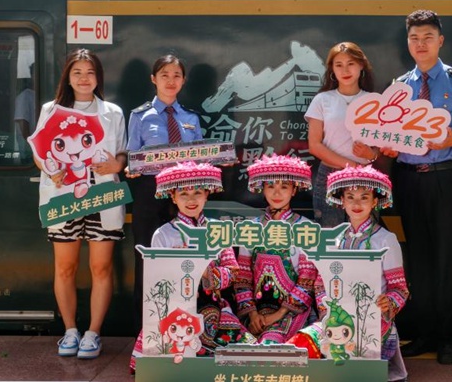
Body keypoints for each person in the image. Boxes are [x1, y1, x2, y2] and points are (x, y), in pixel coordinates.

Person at [381, 9, 452, 364]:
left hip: (445, 177)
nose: (420, 44)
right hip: (408, 178)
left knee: (448, 258)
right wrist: (387, 148)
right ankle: (424, 334)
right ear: (408, 43)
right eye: (414, 38)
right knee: (419, 259)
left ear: (440, 41)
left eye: (427, 38)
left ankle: (449, 338)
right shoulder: (398, 86)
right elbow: (388, 134)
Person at [33, 49, 127, 359]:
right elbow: (39, 151)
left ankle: (93, 333)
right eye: (77, 72)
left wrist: (116, 165)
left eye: (90, 72)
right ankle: (70, 330)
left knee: (101, 267)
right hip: (63, 197)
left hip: (103, 196)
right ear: (68, 77)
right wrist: (50, 169)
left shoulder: (113, 112)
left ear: (98, 77)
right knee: (65, 267)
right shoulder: (50, 110)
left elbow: (123, 152)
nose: (84, 78)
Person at [130, 161, 255, 373]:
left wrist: (205, 270)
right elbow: (157, 280)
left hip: (214, 306)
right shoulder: (163, 234)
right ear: (173, 197)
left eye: (197, 192)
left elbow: (232, 272)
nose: (191, 200)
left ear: (207, 194)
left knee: (246, 353)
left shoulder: (218, 231)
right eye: (183, 194)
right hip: (174, 309)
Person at [126, 55, 203, 332]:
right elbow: (132, 155)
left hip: (185, 194)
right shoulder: (140, 116)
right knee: (147, 258)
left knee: (186, 257)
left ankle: (186, 325)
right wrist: (131, 167)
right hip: (150, 192)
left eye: (176, 75)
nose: (171, 81)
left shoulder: (191, 117)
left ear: (183, 80)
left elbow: (200, 157)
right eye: (164, 75)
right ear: (153, 79)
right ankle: (145, 329)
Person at [325, 165, 410, 381]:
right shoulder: (333, 239)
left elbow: (400, 289)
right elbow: (320, 284)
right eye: (350, 197)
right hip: (337, 317)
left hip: (372, 319)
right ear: (342, 201)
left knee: (360, 366)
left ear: (374, 202)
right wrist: (326, 307)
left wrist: (387, 303)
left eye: (364, 198)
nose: (356, 204)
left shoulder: (386, 239)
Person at [234, 154, 323, 344]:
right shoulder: (251, 227)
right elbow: (242, 276)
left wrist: (279, 314)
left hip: (291, 312)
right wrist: (252, 314)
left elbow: (307, 279)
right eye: (270, 186)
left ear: (294, 190)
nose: (277, 193)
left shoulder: (305, 228)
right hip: (255, 313)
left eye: (284, 187)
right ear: (263, 189)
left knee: (270, 343)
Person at [304, 42, 379, 227]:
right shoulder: (322, 99)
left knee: (365, 234)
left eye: (351, 63)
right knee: (330, 233)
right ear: (332, 69)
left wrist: (371, 155)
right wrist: (351, 165)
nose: (345, 70)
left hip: (364, 176)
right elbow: (314, 145)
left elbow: (384, 144)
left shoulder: (375, 101)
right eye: (339, 65)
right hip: (330, 174)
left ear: (361, 66)